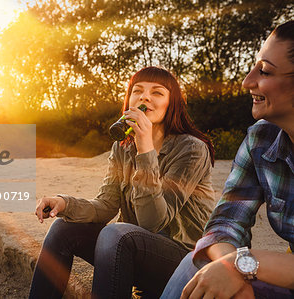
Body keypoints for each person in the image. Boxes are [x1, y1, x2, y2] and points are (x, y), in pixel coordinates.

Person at [29, 66, 216, 299]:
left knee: (116, 234)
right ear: (129, 100)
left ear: (172, 104)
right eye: (137, 91)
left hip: (184, 262)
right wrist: (64, 203)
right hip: (135, 251)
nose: (145, 97)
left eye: (157, 93)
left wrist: (145, 148)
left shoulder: (191, 149)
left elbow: (153, 223)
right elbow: (106, 204)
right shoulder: (122, 147)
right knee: (64, 228)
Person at [161, 20, 294, 299]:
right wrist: (226, 268)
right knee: (200, 270)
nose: (248, 81)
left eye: (265, 71)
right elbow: (225, 223)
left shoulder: (191, 148)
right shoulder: (261, 139)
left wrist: (241, 265)